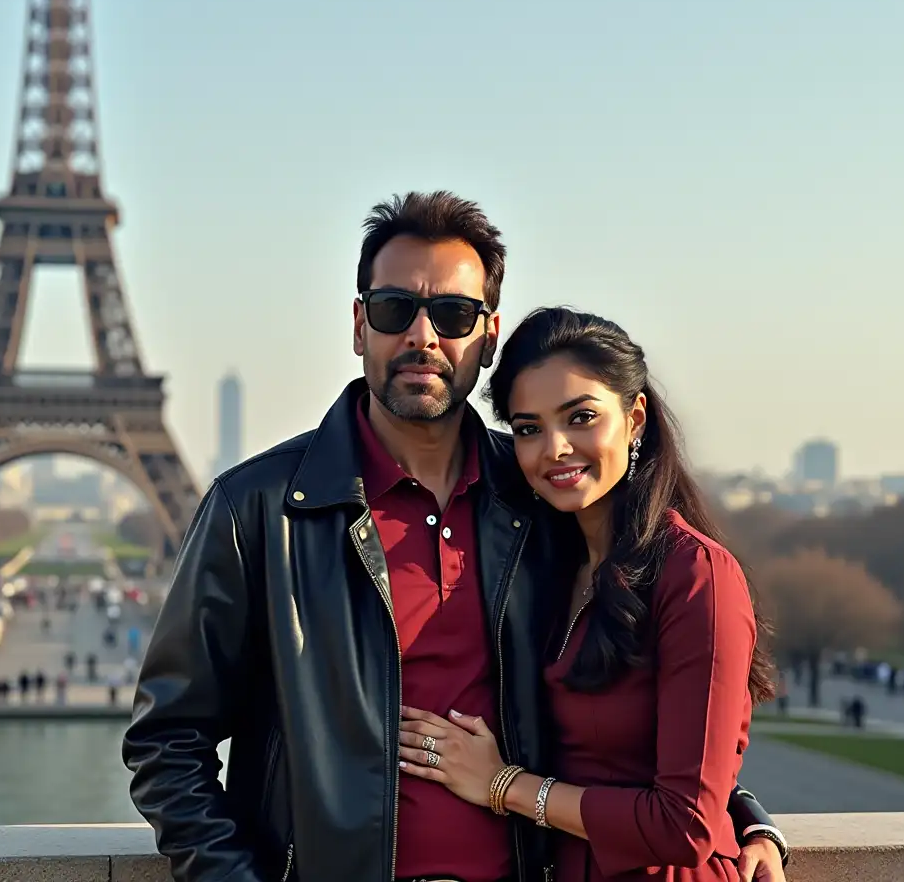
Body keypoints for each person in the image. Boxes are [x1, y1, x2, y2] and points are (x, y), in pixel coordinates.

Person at [124, 192, 788, 882]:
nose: (422, 336)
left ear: (489, 336)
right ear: (359, 326)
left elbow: (624, 725)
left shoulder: (542, 499)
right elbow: (167, 739)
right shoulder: (257, 510)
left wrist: (741, 818)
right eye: (392, 310)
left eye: (452, 314)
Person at [397, 308, 783, 880]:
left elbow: (686, 823)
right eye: (528, 428)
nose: (554, 448)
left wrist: (504, 785)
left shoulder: (695, 575)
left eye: (580, 417)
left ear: (635, 420)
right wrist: (752, 816)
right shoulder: (545, 563)